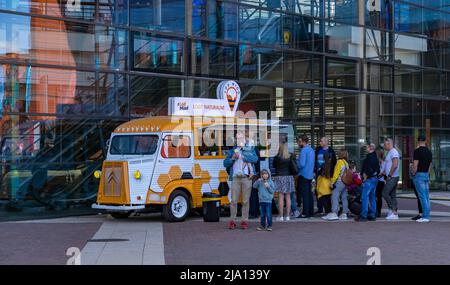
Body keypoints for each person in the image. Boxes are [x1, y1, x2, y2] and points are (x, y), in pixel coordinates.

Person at [224, 131, 259, 230]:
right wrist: (232, 158)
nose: (239, 140)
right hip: (235, 178)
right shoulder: (232, 150)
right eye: (237, 138)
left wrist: (244, 156)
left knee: (245, 201)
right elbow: (225, 164)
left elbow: (255, 159)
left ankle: (244, 221)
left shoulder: (250, 149)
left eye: (241, 138)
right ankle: (232, 221)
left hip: (247, 177)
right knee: (234, 201)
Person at [273, 143, 298, 221]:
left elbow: (274, 165)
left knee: (280, 196)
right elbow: (293, 168)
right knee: (288, 197)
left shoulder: (277, 157)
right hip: (289, 177)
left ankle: (280, 216)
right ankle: (287, 216)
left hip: (280, 177)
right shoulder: (290, 157)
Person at [355, 143, 380, 222]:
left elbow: (367, 169)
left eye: (367, 147)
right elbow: (377, 169)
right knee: (372, 197)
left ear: (370, 148)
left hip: (369, 179)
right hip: (375, 179)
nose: (366, 149)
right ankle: (373, 214)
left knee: (364, 197)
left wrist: (365, 177)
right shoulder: (376, 157)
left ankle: (364, 215)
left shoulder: (368, 157)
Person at [323, 150, 350, 221]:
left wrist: (332, 182)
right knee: (344, 197)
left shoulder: (339, 162)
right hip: (345, 183)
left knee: (335, 196)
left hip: (339, 182)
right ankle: (344, 213)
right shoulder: (346, 163)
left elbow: (336, 173)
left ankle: (334, 213)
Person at [411, 134, 433, 223]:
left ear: (418, 141)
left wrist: (413, 172)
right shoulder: (429, 151)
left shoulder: (417, 151)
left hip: (419, 175)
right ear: (425, 141)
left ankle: (425, 216)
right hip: (426, 174)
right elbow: (430, 165)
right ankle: (427, 215)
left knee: (422, 196)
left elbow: (415, 164)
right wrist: (427, 173)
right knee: (426, 196)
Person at [314, 137, 337, 215]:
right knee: (318, 191)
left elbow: (334, 163)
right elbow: (314, 161)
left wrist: (331, 174)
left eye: (321, 141)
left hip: (327, 175)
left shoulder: (331, 151)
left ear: (326, 142)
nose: (320, 142)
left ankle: (328, 210)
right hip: (318, 174)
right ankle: (320, 208)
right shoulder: (317, 150)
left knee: (326, 192)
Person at [381, 138, 400, 220]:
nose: (384, 146)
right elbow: (389, 165)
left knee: (385, 193)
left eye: (385, 144)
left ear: (389, 144)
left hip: (392, 177)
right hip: (392, 176)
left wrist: (389, 175)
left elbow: (395, 165)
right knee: (392, 195)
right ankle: (394, 212)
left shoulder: (394, 152)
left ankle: (393, 211)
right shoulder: (390, 152)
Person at [297, 135, 315, 218]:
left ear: (304, 142)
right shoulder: (311, 150)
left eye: (299, 141)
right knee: (309, 194)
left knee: (304, 195)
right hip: (310, 174)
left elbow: (302, 164)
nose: (298, 143)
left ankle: (305, 213)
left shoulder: (303, 150)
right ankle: (310, 212)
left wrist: (297, 162)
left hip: (303, 174)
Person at [375, 148, 386, 217]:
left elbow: (381, 172)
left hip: (378, 180)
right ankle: (378, 211)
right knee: (379, 197)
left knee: (376, 196)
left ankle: (377, 211)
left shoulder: (379, 162)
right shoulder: (384, 161)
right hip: (381, 181)